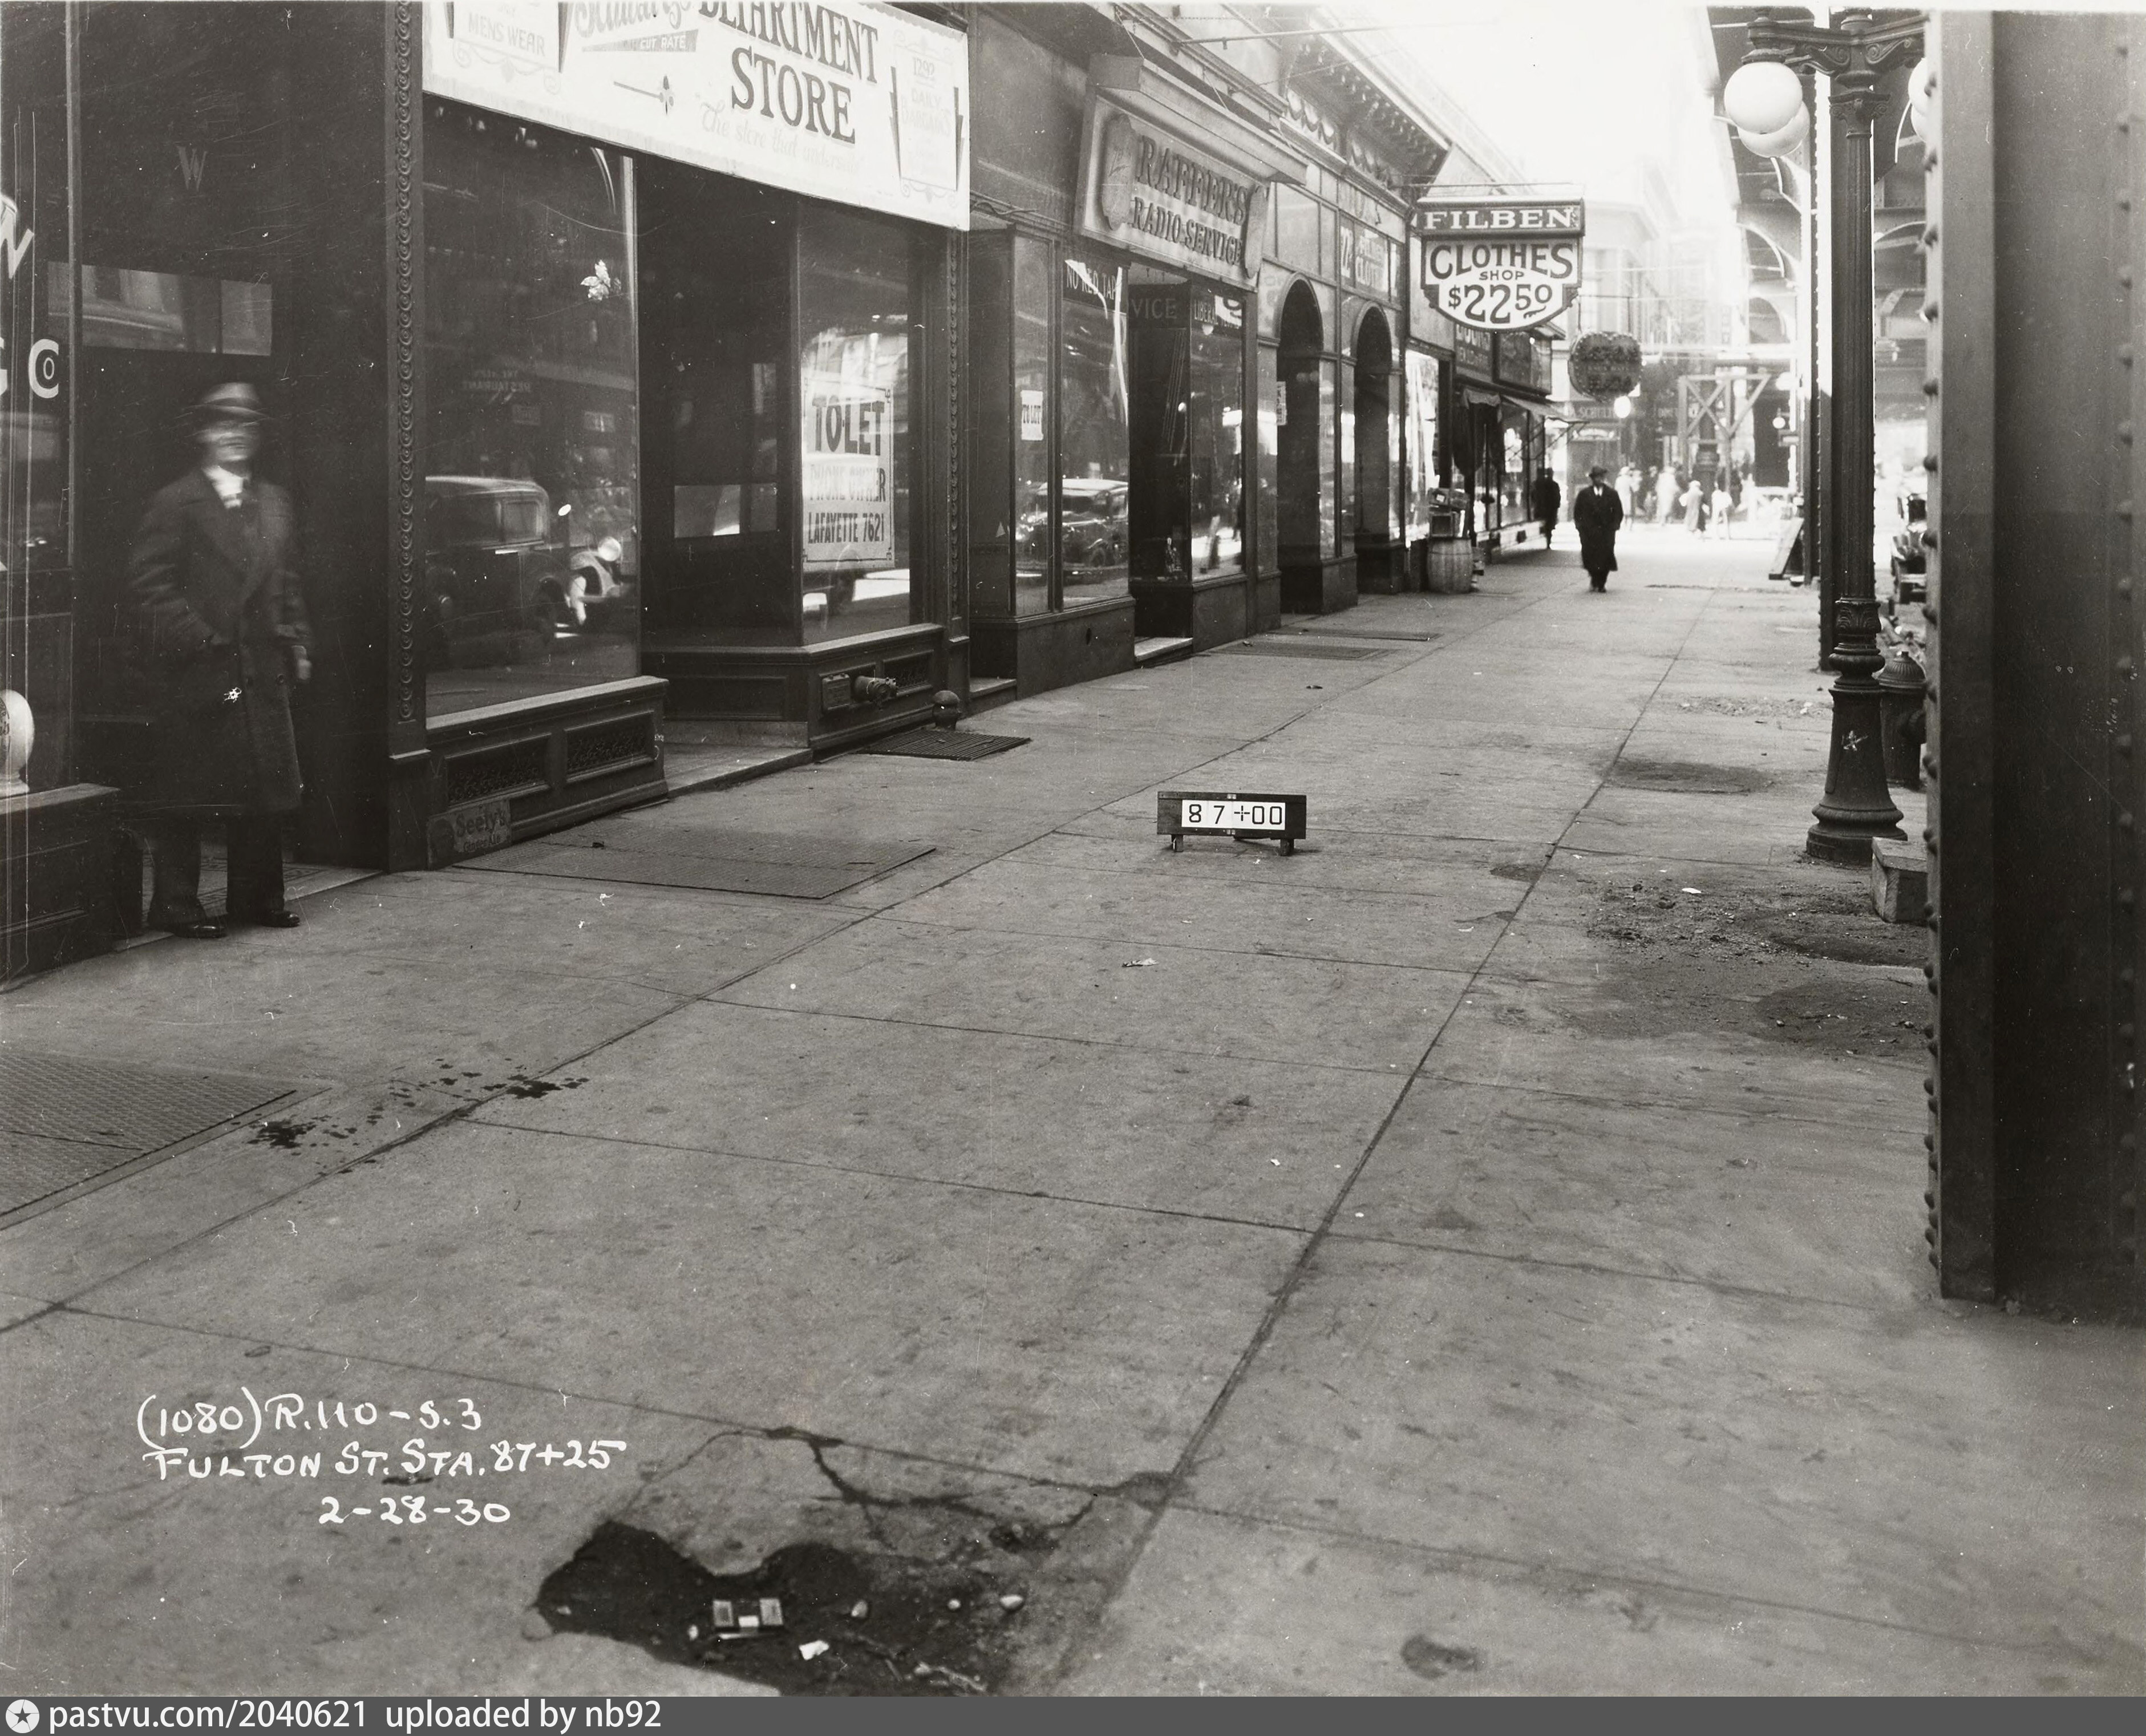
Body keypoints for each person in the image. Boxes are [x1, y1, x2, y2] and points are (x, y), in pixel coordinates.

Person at [128, 382, 311, 938]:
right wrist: (202, 639)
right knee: (189, 794)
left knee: (263, 788)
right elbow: (150, 588)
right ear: (202, 433)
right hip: (200, 669)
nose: (235, 434)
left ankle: (257, 899)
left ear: (258, 435)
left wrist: (296, 639)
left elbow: (288, 581)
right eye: (222, 424)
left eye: (246, 425)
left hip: (260, 669)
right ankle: (177, 905)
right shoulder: (175, 502)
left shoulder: (275, 501)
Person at [1572, 463, 1623, 592]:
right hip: (1589, 532)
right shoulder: (1584, 494)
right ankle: (1594, 579)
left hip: (1607, 532)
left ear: (1604, 478)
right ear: (1592, 479)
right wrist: (1580, 527)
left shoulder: (1612, 494)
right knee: (1590, 556)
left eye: (1601, 477)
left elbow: (1618, 511)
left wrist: (1615, 525)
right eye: (1596, 478)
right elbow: (1577, 511)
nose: (1599, 480)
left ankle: (1602, 583)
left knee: (1606, 556)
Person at [1530, 467, 1562, 549]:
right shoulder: (1554, 485)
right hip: (1551, 509)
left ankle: (1546, 541)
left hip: (1542, 508)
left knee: (1545, 525)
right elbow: (1558, 498)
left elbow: (1533, 496)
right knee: (1549, 526)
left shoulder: (1537, 484)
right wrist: (1556, 507)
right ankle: (1548, 542)